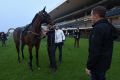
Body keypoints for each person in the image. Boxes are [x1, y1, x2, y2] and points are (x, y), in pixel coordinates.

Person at [86, 6, 118, 80]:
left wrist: (89, 66)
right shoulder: (108, 26)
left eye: (91, 15)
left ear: (96, 15)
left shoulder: (98, 28)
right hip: (105, 63)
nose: (90, 17)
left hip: (97, 65)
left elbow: (94, 51)